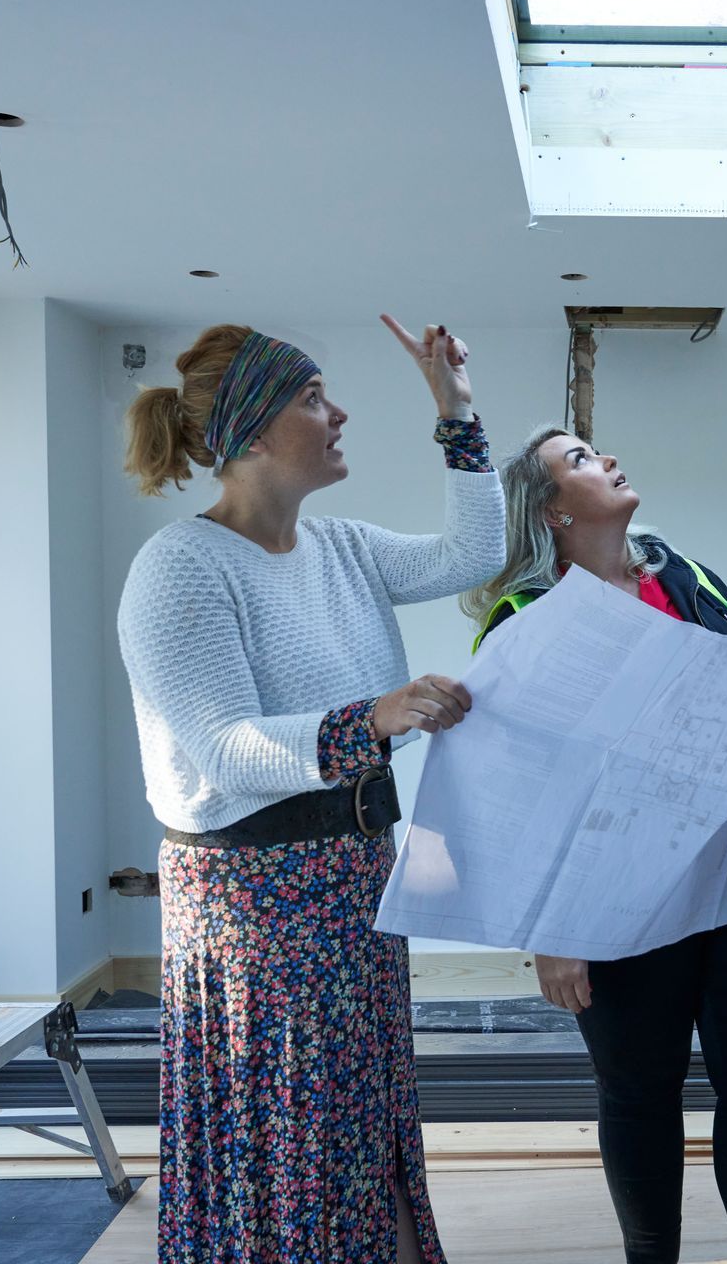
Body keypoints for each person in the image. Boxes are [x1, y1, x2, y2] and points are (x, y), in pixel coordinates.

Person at [117, 316, 504, 1263]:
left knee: (359, 1125)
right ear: (251, 432)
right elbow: (223, 751)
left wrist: (455, 411)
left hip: (354, 876)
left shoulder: (343, 548)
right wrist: (371, 719)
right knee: (292, 1129)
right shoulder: (180, 568)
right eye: (312, 398)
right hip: (256, 905)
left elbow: (473, 556)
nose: (338, 414)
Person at [465, 426, 727, 1264]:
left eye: (597, 448)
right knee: (639, 1100)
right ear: (551, 511)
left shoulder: (685, 575)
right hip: (614, 904)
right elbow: (514, 791)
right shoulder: (524, 620)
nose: (608, 458)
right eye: (580, 460)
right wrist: (551, 931)